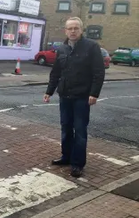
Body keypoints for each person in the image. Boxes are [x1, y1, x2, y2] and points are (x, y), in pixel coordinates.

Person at [43, 17, 105, 178]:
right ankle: (66, 157)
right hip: (65, 96)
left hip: (82, 97)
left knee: (80, 131)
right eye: (69, 28)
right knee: (65, 128)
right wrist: (49, 91)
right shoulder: (62, 49)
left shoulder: (91, 47)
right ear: (65, 30)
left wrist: (94, 93)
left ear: (81, 30)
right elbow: (56, 72)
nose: (72, 31)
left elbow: (98, 72)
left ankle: (77, 164)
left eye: (76, 28)